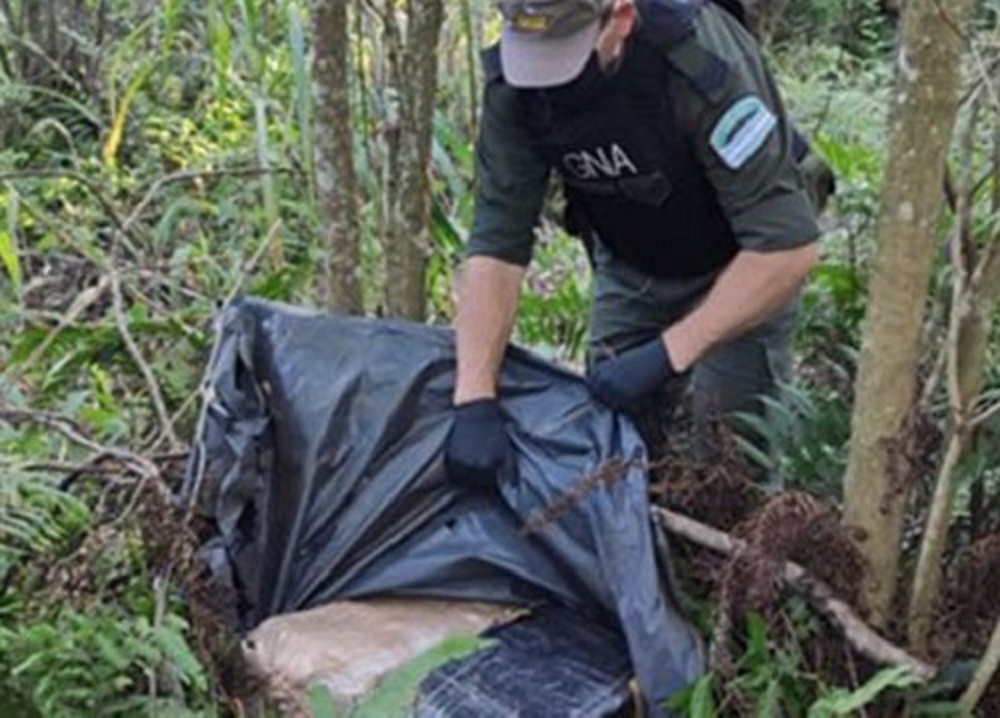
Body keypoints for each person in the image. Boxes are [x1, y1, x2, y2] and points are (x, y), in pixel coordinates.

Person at [445, 0, 826, 490]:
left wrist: (668, 354)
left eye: (565, 52)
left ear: (620, 19)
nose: (547, 76)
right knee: (611, 442)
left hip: (744, 261)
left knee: (729, 467)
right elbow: (498, 241)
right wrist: (474, 397)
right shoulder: (517, 83)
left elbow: (787, 247)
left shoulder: (698, 59)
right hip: (633, 259)